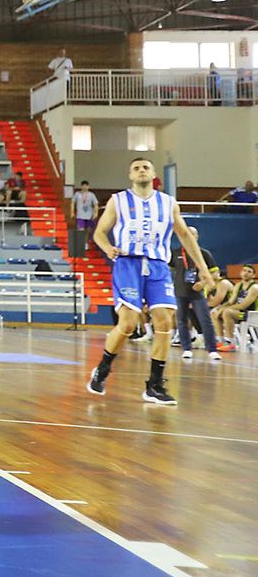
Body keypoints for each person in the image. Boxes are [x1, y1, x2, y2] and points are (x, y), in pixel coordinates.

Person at [86, 158, 213, 406]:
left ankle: (155, 385)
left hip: (157, 265)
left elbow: (185, 236)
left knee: (165, 321)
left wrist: (204, 269)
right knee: (128, 323)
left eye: (145, 167)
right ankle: (103, 367)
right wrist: (107, 247)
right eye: (136, 168)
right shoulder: (118, 200)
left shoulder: (168, 203)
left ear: (154, 174)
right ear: (130, 175)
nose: (141, 170)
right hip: (128, 264)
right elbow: (99, 232)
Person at [172, 228, 221, 361]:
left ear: (197, 237)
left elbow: (215, 274)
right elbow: (168, 269)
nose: (189, 236)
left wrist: (204, 283)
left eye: (192, 234)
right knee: (181, 321)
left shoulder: (204, 254)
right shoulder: (175, 253)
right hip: (180, 292)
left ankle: (212, 349)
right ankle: (186, 348)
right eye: (187, 233)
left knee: (205, 320)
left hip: (197, 293)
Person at [213, 264, 256, 351]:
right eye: (244, 270)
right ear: (240, 273)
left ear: (253, 275)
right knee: (214, 312)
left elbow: (243, 305)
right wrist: (219, 308)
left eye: (249, 272)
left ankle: (231, 343)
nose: (246, 273)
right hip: (239, 314)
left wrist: (223, 309)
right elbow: (230, 302)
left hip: (250, 315)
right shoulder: (238, 286)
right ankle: (220, 341)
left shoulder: (254, 288)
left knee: (227, 312)